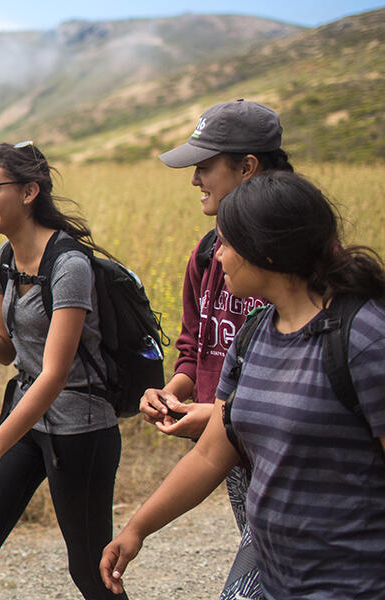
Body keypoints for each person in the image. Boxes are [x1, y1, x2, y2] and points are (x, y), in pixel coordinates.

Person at [101, 171, 385, 599]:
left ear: (266, 252)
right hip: (274, 581)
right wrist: (137, 529)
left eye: (228, 245)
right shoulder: (254, 333)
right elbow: (213, 453)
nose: (218, 258)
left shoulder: (363, 338)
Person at [0, 141, 124, 600]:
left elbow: (54, 375)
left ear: (29, 192)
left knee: (89, 569)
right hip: (28, 421)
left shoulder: (69, 266)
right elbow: (6, 350)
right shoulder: (1, 261)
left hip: (80, 430)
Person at [141, 100, 294, 598]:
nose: (195, 179)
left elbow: (300, 379)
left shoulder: (298, 260)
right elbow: (195, 343)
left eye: (205, 166)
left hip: (280, 456)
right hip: (229, 450)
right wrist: (175, 390)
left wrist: (217, 415)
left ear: (247, 167)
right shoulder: (208, 252)